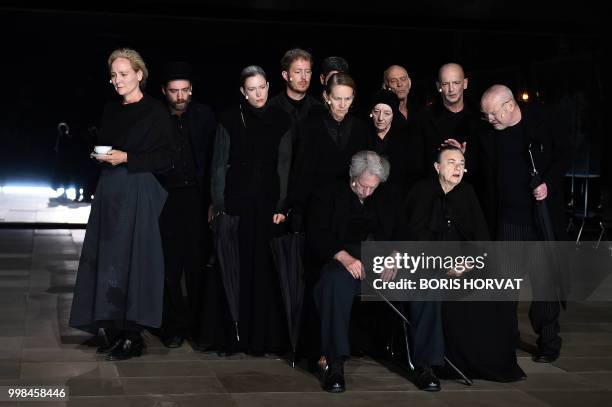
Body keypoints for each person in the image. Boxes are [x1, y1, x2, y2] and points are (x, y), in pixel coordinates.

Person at [69, 48, 174, 361]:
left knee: (135, 262)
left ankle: (133, 334)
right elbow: (108, 145)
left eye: (124, 74)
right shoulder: (111, 110)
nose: (117, 80)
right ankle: (113, 327)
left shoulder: (156, 111)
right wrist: (102, 156)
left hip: (139, 191)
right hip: (110, 191)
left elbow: (168, 159)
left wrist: (127, 157)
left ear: (140, 74)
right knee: (108, 260)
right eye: (113, 75)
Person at [404, 146, 526, 384]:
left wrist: (467, 263)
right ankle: (435, 363)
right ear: (437, 167)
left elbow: (480, 239)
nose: (457, 168)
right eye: (451, 162)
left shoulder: (467, 192)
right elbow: (412, 241)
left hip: (462, 266)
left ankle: (490, 360)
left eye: (461, 164)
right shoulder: (421, 192)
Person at [477, 84, 572, 363]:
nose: (490, 119)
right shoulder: (488, 134)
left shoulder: (542, 121)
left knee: (545, 286)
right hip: (508, 220)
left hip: (540, 219)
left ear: (509, 106)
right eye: (486, 115)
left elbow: (565, 155)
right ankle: (505, 339)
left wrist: (547, 183)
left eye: (493, 114)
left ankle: (549, 343)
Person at [210, 65, 292, 354]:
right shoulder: (230, 118)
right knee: (234, 269)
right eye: (251, 89)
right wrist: (219, 205)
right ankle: (233, 337)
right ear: (243, 92)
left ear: (269, 86)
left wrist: (283, 204)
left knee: (264, 271)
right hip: (236, 204)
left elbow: (284, 164)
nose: (258, 93)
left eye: (262, 87)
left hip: (268, 205)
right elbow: (219, 164)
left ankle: (262, 339)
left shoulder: (282, 119)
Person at [309, 151, 399, 393]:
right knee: (334, 283)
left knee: (424, 283)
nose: (367, 192)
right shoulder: (329, 193)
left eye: (373, 188)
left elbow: (401, 230)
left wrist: (396, 254)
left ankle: (424, 363)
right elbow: (316, 234)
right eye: (363, 186)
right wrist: (344, 256)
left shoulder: (385, 195)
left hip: (380, 265)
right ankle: (334, 363)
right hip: (341, 262)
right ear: (353, 176)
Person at [157, 61, 217, 349]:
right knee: (169, 265)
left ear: (191, 90)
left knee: (196, 264)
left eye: (184, 91)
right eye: (174, 91)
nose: (180, 96)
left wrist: (213, 201)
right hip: (165, 198)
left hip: (196, 197)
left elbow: (213, 161)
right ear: (164, 92)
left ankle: (195, 325)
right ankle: (172, 325)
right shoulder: (156, 117)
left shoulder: (204, 116)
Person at [289, 72, 369, 223]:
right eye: (337, 98)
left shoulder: (361, 128)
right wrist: (297, 209)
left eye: (348, 99)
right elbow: (301, 170)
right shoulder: (309, 126)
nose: (343, 104)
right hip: (316, 206)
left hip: (350, 207)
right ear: (326, 96)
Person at [412, 63, 482, 175]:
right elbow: (417, 162)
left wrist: (463, 155)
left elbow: (486, 162)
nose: (451, 89)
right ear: (438, 86)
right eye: (445, 84)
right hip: (435, 187)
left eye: (456, 83)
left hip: (472, 187)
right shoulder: (423, 118)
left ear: (465, 83)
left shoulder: (480, 116)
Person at [367, 88, 423, 194]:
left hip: (397, 195)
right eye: (376, 112)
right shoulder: (363, 135)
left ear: (393, 115)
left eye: (386, 113)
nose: (380, 118)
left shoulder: (406, 139)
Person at [269, 48, 322, 126]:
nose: (304, 77)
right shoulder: (270, 108)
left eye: (307, 72)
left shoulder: (320, 110)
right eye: (298, 72)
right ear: (286, 75)